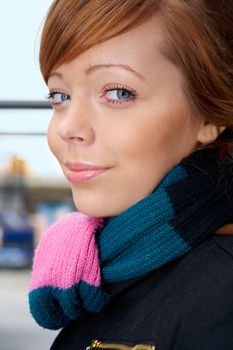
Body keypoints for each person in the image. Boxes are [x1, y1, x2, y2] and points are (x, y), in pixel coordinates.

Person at [29, 1, 233, 349]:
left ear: (208, 114)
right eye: (60, 95)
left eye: (118, 93)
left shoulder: (222, 292)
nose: (68, 127)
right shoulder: (105, 263)